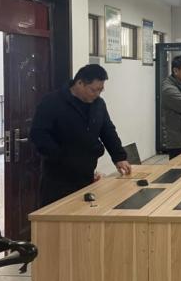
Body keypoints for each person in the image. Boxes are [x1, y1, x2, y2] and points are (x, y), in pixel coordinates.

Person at [31, 64, 132, 207]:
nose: (97, 94)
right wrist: (62, 157)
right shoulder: (52, 102)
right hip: (58, 176)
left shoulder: (98, 104)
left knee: (84, 212)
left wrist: (119, 157)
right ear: (79, 83)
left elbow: (107, 131)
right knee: (59, 214)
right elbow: (38, 135)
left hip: (86, 173)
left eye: (100, 90)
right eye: (93, 90)